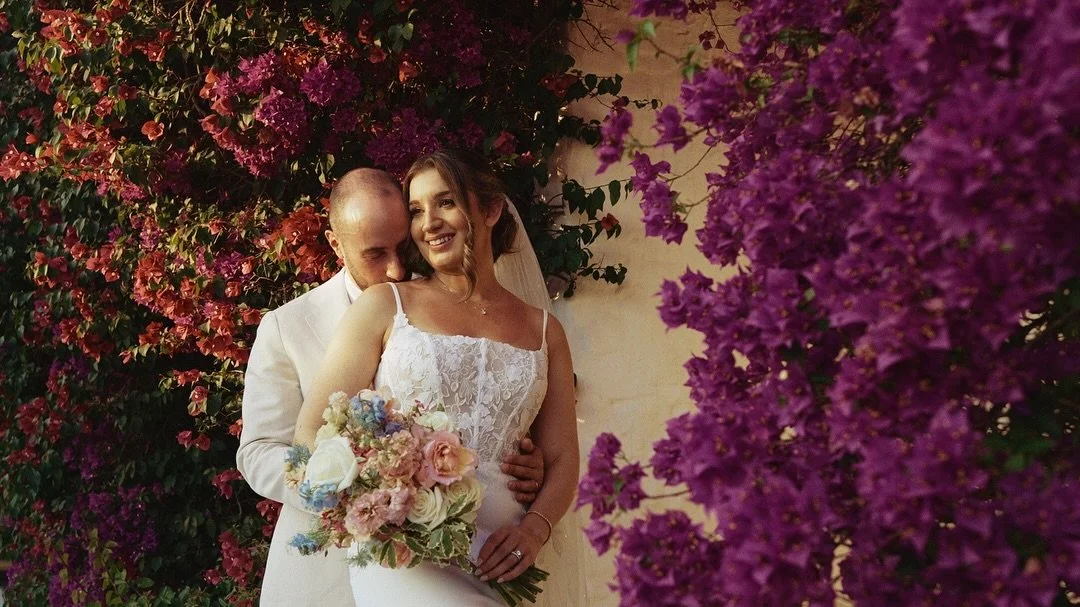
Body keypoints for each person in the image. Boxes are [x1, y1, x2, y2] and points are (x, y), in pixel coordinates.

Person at [238, 168, 549, 607]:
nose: (396, 267)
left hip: (443, 568)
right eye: (375, 253)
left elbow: (484, 400)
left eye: (403, 246)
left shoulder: (431, 306)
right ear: (335, 245)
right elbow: (258, 452)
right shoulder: (286, 326)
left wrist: (526, 457)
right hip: (325, 574)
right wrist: (369, 495)